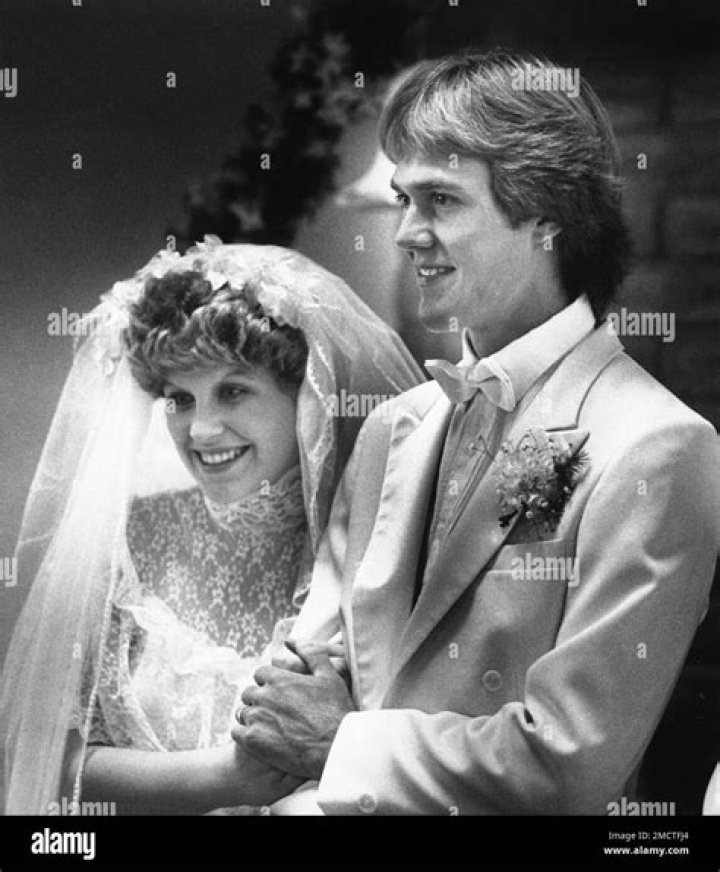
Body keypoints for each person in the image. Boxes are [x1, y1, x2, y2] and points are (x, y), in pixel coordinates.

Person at [232, 49, 720, 814]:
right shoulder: (391, 428)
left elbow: (568, 761)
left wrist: (344, 745)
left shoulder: (657, 447)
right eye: (403, 199)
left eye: (441, 200)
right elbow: (300, 679)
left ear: (549, 218)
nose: (405, 233)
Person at [0, 237, 423, 815]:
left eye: (233, 391)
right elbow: (43, 756)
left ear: (309, 398)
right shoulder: (132, 540)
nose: (200, 430)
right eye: (180, 398)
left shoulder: (373, 539)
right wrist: (226, 780)